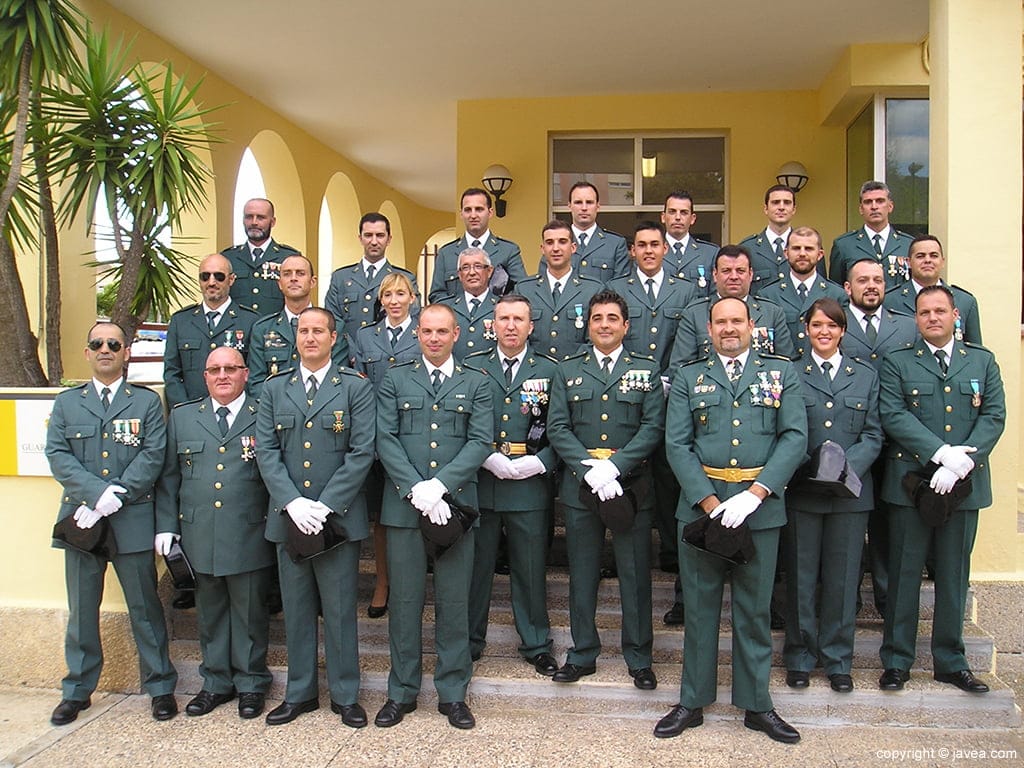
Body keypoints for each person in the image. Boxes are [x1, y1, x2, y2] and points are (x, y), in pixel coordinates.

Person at [657, 296, 807, 744]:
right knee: (699, 610)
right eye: (720, 322)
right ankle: (692, 701)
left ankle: (757, 704)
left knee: (754, 611)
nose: (728, 328)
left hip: (759, 512)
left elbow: (794, 437)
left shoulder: (780, 373)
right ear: (709, 329)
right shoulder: (690, 377)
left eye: (736, 321)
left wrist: (756, 494)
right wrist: (708, 502)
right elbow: (677, 444)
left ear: (751, 325)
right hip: (702, 510)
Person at [45, 322, 178, 725]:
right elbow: (58, 455)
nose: (105, 349)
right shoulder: (68, 403)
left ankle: (160, 687)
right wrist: (95, 494)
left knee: (145, 608)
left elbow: (153, 454)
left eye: (113, 344)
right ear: (87, 352)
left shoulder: (146, 402)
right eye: (97, 343)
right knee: (82, 609)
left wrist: (116, 494)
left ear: (126, 353)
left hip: (131, 519)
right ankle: (77, 690)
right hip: (82, 520)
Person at [877, 286, 1005, 694]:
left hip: (963, 487)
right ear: (915, 319)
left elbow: (994, 415)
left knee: (953, 575)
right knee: (904, 574)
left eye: (940, 311)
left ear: (955, 316)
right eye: (924, 312)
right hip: (911, 483)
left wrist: (962, 463)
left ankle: (951, 662)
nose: (932, 318)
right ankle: (897, 660)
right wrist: (940, 453)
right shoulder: (898, 362)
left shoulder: (982, 361)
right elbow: (892, 413)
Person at [255, 308, 376, 727]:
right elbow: (266, 451)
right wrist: (292, 502)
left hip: (336, 519)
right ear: (296, 337)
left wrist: (325, 505)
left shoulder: (355, 387)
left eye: (318, 331)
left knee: (340, 610)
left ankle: (345, 695)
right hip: (289, 517)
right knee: (297, 608)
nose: (310, 337)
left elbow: (362, 451)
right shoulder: (274, 389)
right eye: (303, 331)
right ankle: (300, 693)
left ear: (333, 337)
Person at [375, 304, 493, 730]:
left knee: (454, 601)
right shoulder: (395, 378)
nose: (434, 338)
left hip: (455, 506)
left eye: (442, 331)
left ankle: (453, 693)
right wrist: (416, 489)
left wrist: (440, 486)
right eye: (427, 331)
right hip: (405, 508)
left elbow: (480, 440)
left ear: (456, 334)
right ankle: (401, 692)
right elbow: (385, 437)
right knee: (405, 602)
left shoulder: (476, 381)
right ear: (417, 334)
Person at [546, 290, 665, 690]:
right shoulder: (567, 370)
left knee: (635, 574)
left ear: (626, 326)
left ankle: (639, 657)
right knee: (582, 574)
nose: (604, 325)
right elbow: (557, 427)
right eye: (597, 318)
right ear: (588, 325)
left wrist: (615, 466)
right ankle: (582, 653)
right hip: (582, 486)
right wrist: (589, 469)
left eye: (612, 318)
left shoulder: (645, 370)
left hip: (630, 485)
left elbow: (653, 427)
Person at [155, 346, 275, 719]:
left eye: (230, 368)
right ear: (205, 376)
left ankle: (251, 683)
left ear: (245, 374)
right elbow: (168, 478)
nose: (223, 375)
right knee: (210, 614)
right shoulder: (183, 417)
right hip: (199, 533)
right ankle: (216, 683)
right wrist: (167, 527)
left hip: (248, 531)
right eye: (215, 370)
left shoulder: (263, 413)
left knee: (250, 614)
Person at [783, 299, 882, 693]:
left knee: (843, 581)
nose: (824, 332)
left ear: (843, 330)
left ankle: (839, 661)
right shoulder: (791, 372)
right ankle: (800, 657)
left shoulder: (865, 376)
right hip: (803, 491)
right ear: (806, 329)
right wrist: (813, 468)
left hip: (850, 494)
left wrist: (840, 467)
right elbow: (786, 429)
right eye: (816, 325)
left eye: (832, 325)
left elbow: (873, 434)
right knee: (801, 578)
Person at [464, 295, 559, 674]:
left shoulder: (550, 370)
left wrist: (542, 461)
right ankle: (469, 640)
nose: (511, 326)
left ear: (531, 326)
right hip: (482, 480)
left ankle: (536, 643)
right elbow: (462, 421)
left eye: (519, 319)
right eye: (503, 318)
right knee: (476, 569)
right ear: (492, 325)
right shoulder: (473, 367)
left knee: (530, 569)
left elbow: (561, 427)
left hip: (529, 484)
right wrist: (484, 456)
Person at [607, 221, 696, 622]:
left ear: (665, 249)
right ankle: (629, 557)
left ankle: (675, 561)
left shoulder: (686, 291)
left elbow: (690, 344)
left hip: (673, 398)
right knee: (633, 479)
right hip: (629, 403)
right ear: (632, 250)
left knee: (672, 484)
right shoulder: (617, 289)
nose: (648, 250)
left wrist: (669, 381)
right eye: (640, 244)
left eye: (654, 244)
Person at [841, 258, 916, 616]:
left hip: (894, 444)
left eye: (877, 280)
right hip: (850, 442)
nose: (871, 286)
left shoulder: (906, 326)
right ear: (847, 287)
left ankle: (887, 598)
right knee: (848, 526)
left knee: (887, 526)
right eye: (863, 280)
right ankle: (848, 597)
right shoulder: (833, 324)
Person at [350, 272, 421, 618]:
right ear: (380, 300)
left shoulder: (424, 332)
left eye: (401, 294)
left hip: (414, 436)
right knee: (381, 516)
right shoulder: (366, 336)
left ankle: (414, 581)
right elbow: (360, 387)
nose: (394, 301)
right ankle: (383, 582)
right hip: (377, 438)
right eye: (388, 295)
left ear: (412, 298)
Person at [669, 245, 793, 367]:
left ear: (751, 274)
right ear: (715, 274)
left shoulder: (772, 313)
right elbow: (679, 368)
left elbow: (787, 365)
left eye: (740, 271)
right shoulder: (694, 314)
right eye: (726, 271)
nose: (734, 277)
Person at [164, 253, 259, 408]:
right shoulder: (180, 321)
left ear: (231, 279)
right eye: (205, 276)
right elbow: (172, 373)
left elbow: (254, 374)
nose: (211, 282)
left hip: (237, 413)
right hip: (192, 412)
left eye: (219, 276)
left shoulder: (251, 321)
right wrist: (184, 411)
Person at [247, 254, 348, 398]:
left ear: (312, 282)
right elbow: (256, 383)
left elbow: (337, 378)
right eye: (287, 274)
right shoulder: (263, 329)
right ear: (280, 283)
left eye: (300, 273)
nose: (293, 278)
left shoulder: (334, 325)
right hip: (276, 409)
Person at [324, 212, 421, 341]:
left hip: (387, 350)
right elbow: (332, 320)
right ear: (360, 238)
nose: (374, 242)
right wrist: (351, 349)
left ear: (389, 239)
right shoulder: (340, 277)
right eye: (368, 235)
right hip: (346, 351)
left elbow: (412, 318)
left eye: (380, 235)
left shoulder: (405, 278)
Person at [517, 220, 604, 360]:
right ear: (542, 249)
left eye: (562, 242)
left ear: (573, 247)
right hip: (535, 368)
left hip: (577, 368)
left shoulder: (593, 289)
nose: (555, 248)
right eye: (549, 242)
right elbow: (518, 336)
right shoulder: (524, 289)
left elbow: (596, 338)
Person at [757, 226, 847, 359]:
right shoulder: (768, 295)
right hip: (782, 369)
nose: (802, 253)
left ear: (820, 254)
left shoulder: (837, 295)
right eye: (796, 248)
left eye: (809, 249)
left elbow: (844, 341)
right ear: (786, 253)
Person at [430, 188, 526, 302]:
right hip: (456, 314)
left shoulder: (508, 251)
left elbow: (521, 292)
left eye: (479, 209)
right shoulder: (446, 254)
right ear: (461, 214)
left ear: (490, 212)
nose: (473, 215)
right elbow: (437, 295)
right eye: (468, 210)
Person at [883, 234, 982, 344]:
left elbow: (974, 350)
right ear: (909, 262)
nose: (927, 260)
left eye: (934, 256)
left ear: (942, 262)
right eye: (920, 256)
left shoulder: (965, 302)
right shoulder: (889, 301)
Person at [222, 198, 300, 315]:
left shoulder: (289, 258)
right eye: (249, 217)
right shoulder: (228, 258)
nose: (254, 222)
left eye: (260, 217)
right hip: (238, 325)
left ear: (272, 222)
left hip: (275, 326)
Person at [828, 181, 912, 289]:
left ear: (890, 206)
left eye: (880, 201)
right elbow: (836, 290)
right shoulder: (843, 245)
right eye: (868, 202)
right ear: (861, 209)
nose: (874, 206)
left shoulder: (908, 244)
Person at [437, 247, 499, 360]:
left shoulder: (502, 306)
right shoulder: (445, 307)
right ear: (460, 275)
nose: (472, 272)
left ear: (489, 271)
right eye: (465, 268)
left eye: (478, 266)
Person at [563, 181, 629, 283]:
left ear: (598, 206)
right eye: (578, 202)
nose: (584, 208)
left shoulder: (615, 244)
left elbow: (621, 286)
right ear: (569, 206)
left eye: (589, 202)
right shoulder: (555, 243)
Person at [738, 185, 801, 287]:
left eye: (787, 202)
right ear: (766, 209)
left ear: (794, 209)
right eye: (775, 202)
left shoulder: (809, 247)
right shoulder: (748, 248)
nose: (781, 207)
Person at [661, 190, 719, 297]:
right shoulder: (651, 252)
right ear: (663, 217)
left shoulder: (710, 253)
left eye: (684, 212)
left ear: (692, 219)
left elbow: (715, 295)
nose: (678, 217)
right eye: (672, 212)